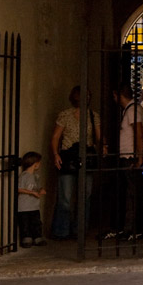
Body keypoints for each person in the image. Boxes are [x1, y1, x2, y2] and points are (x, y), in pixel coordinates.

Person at [49, 86, 98, 241]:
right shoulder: (65, 115)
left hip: (86, 157)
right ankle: (61, 231)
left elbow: (99, 136)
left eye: (88, 95)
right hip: (68, 156)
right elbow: (56, 137)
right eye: (83, 95)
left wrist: (103, 146)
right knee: (65, 197)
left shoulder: (93, 116)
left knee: (86, 195)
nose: (86, 99)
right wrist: (56, 154)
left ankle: (80, 230)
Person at [104, 83, 143, 238]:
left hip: (130, 157)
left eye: (114, 95)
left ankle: (136, 230)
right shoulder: (133, 109)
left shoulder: (133, 111)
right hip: (127, 156)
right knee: (127, 192)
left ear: (118, 95)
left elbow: (139, 134)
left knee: (135, 194)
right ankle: (124, 228)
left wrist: (138, 156)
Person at [15, 152, 46, 247]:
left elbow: (37, 187)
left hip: (34, 205)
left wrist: (41, 190)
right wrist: (32, 193)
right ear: (35, 163)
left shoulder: (36, 176)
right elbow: (19, 188)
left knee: (36, 222)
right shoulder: (24, 176)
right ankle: (27, 238)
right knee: (25, 224)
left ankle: (37, 237)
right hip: (24, 206)